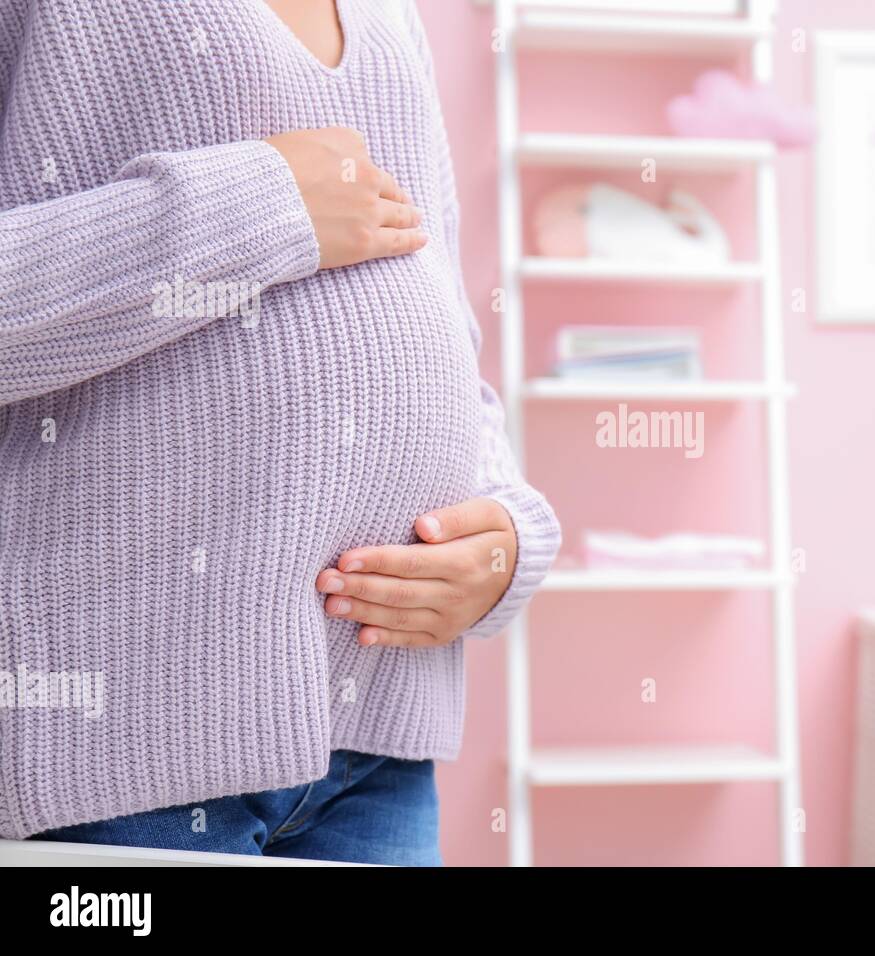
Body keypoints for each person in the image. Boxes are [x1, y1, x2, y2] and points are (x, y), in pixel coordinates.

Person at [0, 0, 561, 865]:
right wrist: (260, 204)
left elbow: (440, 320)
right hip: (128, 755)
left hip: (382, 749)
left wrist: (504, 535)